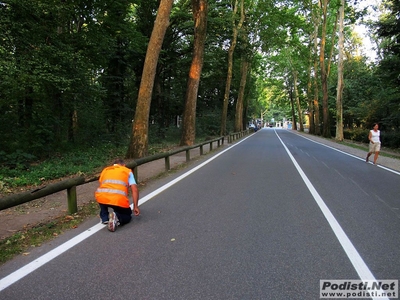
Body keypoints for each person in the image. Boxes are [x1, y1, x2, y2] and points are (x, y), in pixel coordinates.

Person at [95, 159, 140, 232]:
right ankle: (117, 217)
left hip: (102, 197)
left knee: (103, 195)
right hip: (118, 199)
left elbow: (102, 184)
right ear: (123, 165)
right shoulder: (127, 171)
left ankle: (104, 217)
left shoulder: (105, 170)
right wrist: (135, 206)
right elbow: (134, 189)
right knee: (127, 215)